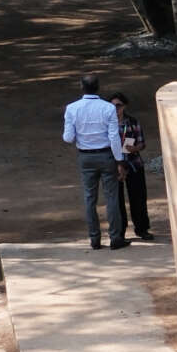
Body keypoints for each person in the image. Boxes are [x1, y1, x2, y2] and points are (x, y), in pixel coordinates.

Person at [62, 73, 128, 250]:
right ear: (98, 87)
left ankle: (94, 239)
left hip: (86, 157)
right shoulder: (108, 108)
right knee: (112, 197)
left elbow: (68, 138)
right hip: (106, 155)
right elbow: (114, 137)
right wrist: (119, 160)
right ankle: (115, 238)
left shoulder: (72, 108)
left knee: (89, 198)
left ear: (81, 87)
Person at [109, 91, 152, 241]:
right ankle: (120, 231)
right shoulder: (106, 124)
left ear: (124, 106)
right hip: (114, 166)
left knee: (138, 197)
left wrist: (135, 148)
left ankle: (142, 229)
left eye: (118, 105)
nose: (116, 109)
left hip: (133, 163)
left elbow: (142, 143)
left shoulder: (133, 122)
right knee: (116, 200)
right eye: (112, 106)